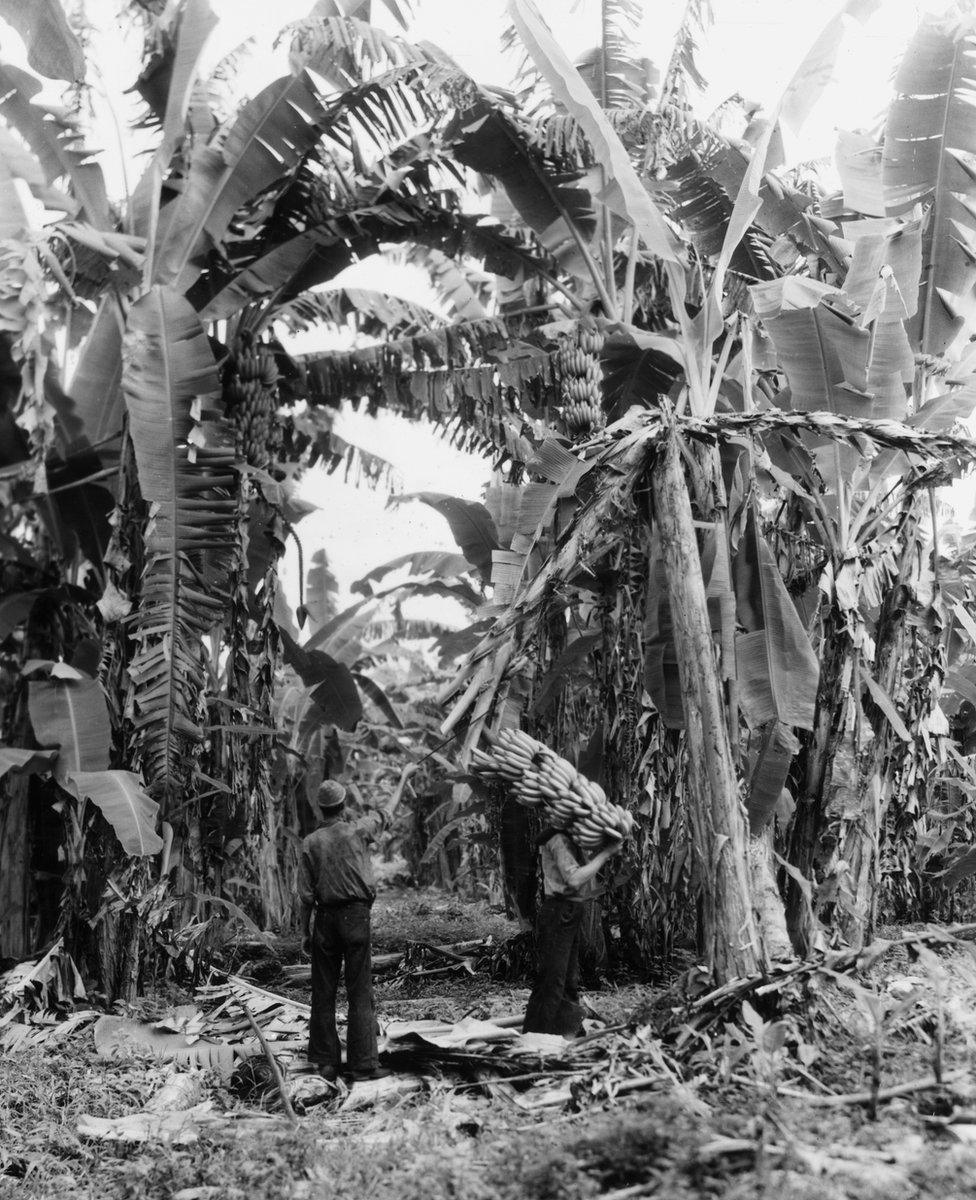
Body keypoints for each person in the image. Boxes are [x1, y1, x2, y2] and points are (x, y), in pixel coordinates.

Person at [299, 780, 382, 1082]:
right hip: (356, 915)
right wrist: (402, 779)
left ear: (321, 809)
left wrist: (304, 931)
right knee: (360, 989)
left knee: (324, 991)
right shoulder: (359, 830)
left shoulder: (311, 842)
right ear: (344, 805)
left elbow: (306, 895)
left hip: (325, 917)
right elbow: (385, 813)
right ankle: (363, 1065)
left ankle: (327, 1062)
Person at [522, 828, 623, 1037]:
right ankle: (537, 1037)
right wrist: (606, 853)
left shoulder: (569, 839)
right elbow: (575, 879)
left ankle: (565, 1034)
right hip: (559, 910)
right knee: (553, 979)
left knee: (568, 978)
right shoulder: (557, 840)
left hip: (570, 910)